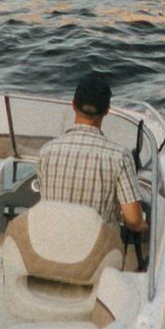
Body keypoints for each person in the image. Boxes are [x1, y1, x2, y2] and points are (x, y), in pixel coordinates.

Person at [36, 72, 150, 258]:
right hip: (97, 258)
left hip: (51, 252)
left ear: (73, 105)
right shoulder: (119, 157)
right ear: (107, 111)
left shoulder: (47, 151)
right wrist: (144, 226)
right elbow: (133, 221)